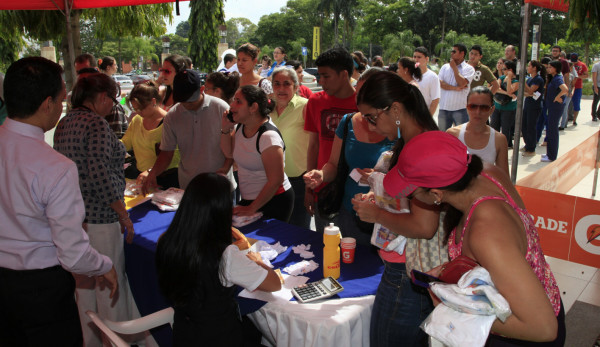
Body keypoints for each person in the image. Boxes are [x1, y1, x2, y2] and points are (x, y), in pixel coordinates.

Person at [384, 131, 564, 346]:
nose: (409, 197)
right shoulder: (485, 173)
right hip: (536, 299)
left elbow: (543, 328)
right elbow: (509, 255)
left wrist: (452, 307)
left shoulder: (486, 231)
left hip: (520, 335)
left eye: (411, 193)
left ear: (436, 195)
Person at [0, 57, 117, 346]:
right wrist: (104, 265)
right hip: (40, 289)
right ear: (47, 104)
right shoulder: (55, 167)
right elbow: (73, 253)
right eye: (62, 99)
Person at [351, 71, 443, 347]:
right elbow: (411, 204)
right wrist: (380, 201)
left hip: (409, 270)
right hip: (412, 267)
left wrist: (377, 214)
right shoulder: (415, 142)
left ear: (396, 109)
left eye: (372, 117)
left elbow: (425, 226)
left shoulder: (422, 148)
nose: (370, 126)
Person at [53, 73, 142, 346]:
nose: (113, 107)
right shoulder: (96, 125)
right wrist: (123, 214)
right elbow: (100, 175)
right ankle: (116, 342)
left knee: (85, 289)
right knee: (109, 286)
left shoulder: (64, 123)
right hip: (101, 218)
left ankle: (91, 341)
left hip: (74, 217)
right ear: (103, 98)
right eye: (113, 101)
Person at [155, 173, 281, 344]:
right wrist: (251, 256)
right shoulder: (225, 255)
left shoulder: (166, 240)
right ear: (220, 211)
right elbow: (274, 283)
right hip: (220, 337)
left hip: (183, 334)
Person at [304, 68, 393, 245]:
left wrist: (379, 179)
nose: (359, 101)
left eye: (366, 94)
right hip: (351, 212)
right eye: (358, 93)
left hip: (388, 216)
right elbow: (333, 165)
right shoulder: (348, 122)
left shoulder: (398, 127)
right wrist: (321, 175)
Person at [142, 69, 233, 192]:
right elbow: (166, 153)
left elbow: (234, 146)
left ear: (202, 90)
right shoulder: (172, 116)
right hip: (189, 186)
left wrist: (225, 169)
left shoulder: (221, 108)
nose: (187, 105)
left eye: (191, 100)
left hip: (220, 186)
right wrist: (152, 173)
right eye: (182, 101)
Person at [304, 47, 358, 232]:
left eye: (326, 76)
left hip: (357, 192)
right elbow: (313, 146)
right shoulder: (315, 101)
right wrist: (309, 188)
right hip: (323, 187)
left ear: (344, 74)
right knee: (325, 247)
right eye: (319, 76)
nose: (321, 81)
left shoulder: (364, 103)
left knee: (357, 250)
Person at [225, 85, 294, 222]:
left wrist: (251, 208)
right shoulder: (240, 126)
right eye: (233, 100)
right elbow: (228, 153)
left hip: (274, 201)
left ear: (253, 108)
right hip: (250, 200)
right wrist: (225, 128)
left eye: (238, 101)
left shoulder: (268, 137)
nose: (232, 105)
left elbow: (276, 180)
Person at [270, 67, 311, 228]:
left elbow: (318, 142)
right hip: (271, 181)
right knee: (276, 228)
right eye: (277, 84)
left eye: (286, 84)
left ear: (295, 86)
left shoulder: (306, 106)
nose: (281, 89)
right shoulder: (266, 109)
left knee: (299, 230)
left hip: (299, 181)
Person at [122, 81, 180, 189]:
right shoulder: (137, 120)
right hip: (141, 178)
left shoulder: (168, 122)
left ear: (153, 101)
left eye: (141, 108)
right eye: (135, 109)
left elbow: (173, 158)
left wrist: (150, 171)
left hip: (164, 180)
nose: (138, 112)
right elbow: (125, 143)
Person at [448, 86, 509, 175]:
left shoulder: (499, 139)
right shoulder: (452, 134)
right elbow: (445, 171)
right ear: (467, 107)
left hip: (487, 188)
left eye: (484, 108)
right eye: (473, 106)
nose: (478, 112)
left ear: (492, 110)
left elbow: (504, 178)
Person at [438, 43, 475, 131]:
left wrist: (455, 68)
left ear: (462, 54)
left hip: (460, 109)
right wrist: (455, 88)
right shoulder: (444, 67)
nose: (451, 53)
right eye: (451, 51)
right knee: (442, 137)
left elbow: (462, 84)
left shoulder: (469, 69)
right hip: (444, 108)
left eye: (454, 51)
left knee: (461, 137)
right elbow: (440, 83)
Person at [490, 60, 519, 149]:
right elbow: (496, 88)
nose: (503, 71)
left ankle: (505, 146)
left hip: (508, 108)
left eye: (505, 69)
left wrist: (509, 78)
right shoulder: (502, 78)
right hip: (497, 105)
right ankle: (494, 145)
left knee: (506, 128)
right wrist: (507, 94)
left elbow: (510, 90)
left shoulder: (516, 81)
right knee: (494, 126)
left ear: (510, 70)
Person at [543, 60, 568, 162]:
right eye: (548, 67)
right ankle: (549, 154)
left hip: (555, 108)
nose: (548, 69)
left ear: (556, 68)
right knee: (550, 130)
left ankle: (552, 156)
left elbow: (565, 89)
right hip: (551, 107)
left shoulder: (557, 78)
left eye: (550, 67)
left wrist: (557, 97)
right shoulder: (553, 78)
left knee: (552, 131)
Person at [99, 56, 128, 138]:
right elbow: (118, 104)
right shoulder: (107, 81)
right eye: (115, 65)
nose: (117, 67)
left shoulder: (104, 79)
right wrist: (123, 99)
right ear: (108, 67)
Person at [522, 60, 546, 157]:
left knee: (531, 127)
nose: (528, 68)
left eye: (529, 66)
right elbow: (527, 92)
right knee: (524, 126)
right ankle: (527, 144)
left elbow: (531, 91)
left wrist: (523, 83)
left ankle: (531, 149)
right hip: (528, 104)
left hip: (534, 106)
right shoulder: (529, 79)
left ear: (534, 68)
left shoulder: (538, 79)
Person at [413, 46, 440, 116]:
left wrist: (428, 119)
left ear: (427, 59)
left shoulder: (433, 77)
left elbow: (435, 100)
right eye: (414, 57)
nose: (416, 59)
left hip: (423, 116)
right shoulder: (410, 75)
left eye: (419, 57)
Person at [570, 53, 588, 126]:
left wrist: (577, 76)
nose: (573, 62)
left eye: (575, 60)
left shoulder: (582, 65)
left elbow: (586, 75)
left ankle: (574, 120)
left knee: (576, 103)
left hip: (578, 87)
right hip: (569, 86)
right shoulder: (568, 64)